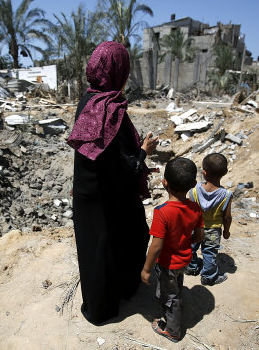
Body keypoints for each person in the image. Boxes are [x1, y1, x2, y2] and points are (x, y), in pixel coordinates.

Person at [68, 41, 158, 324]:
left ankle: (98, 306)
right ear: (119, 70)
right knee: (131, 237)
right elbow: (122, 168)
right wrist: (144, 151)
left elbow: (93, 155)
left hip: (87, 193)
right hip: (111, 196)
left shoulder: (88, 101)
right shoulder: (111, 110)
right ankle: (120, 293)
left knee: (95, 251)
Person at [141, 157, 204, 342]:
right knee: (176, 285)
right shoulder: (195, 208)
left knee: (169, 297)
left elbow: (157, 246)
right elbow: (199, 236)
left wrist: (146, 270)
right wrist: (185, 242)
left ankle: (173, 331)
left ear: (164, 182)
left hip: (168, 264)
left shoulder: (162, 212)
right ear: (193, 184)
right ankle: (177, 301)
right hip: (185, 259)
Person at [185, 153, 232, 286]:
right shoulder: (226, 195)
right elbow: (227, 217)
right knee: (209, 253)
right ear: (225, 172)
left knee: (192, 247)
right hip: (213, 230)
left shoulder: (194, 190)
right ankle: (208, 276)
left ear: (204, 172)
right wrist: (226, 231)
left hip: (196, 227)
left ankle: (191, 267)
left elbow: (190, 210)